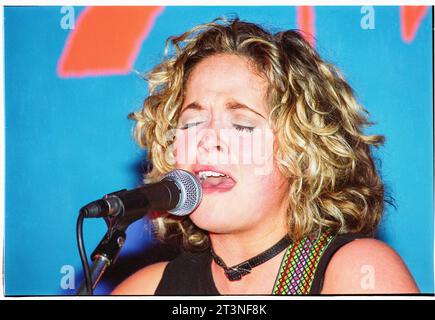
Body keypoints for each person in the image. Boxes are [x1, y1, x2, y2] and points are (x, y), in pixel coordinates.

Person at [112, 17, 419, 295]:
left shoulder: (359, 271)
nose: (206, 140)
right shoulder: (146, 288)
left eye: (242, 125)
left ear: (302, 150)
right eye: (191, 122)